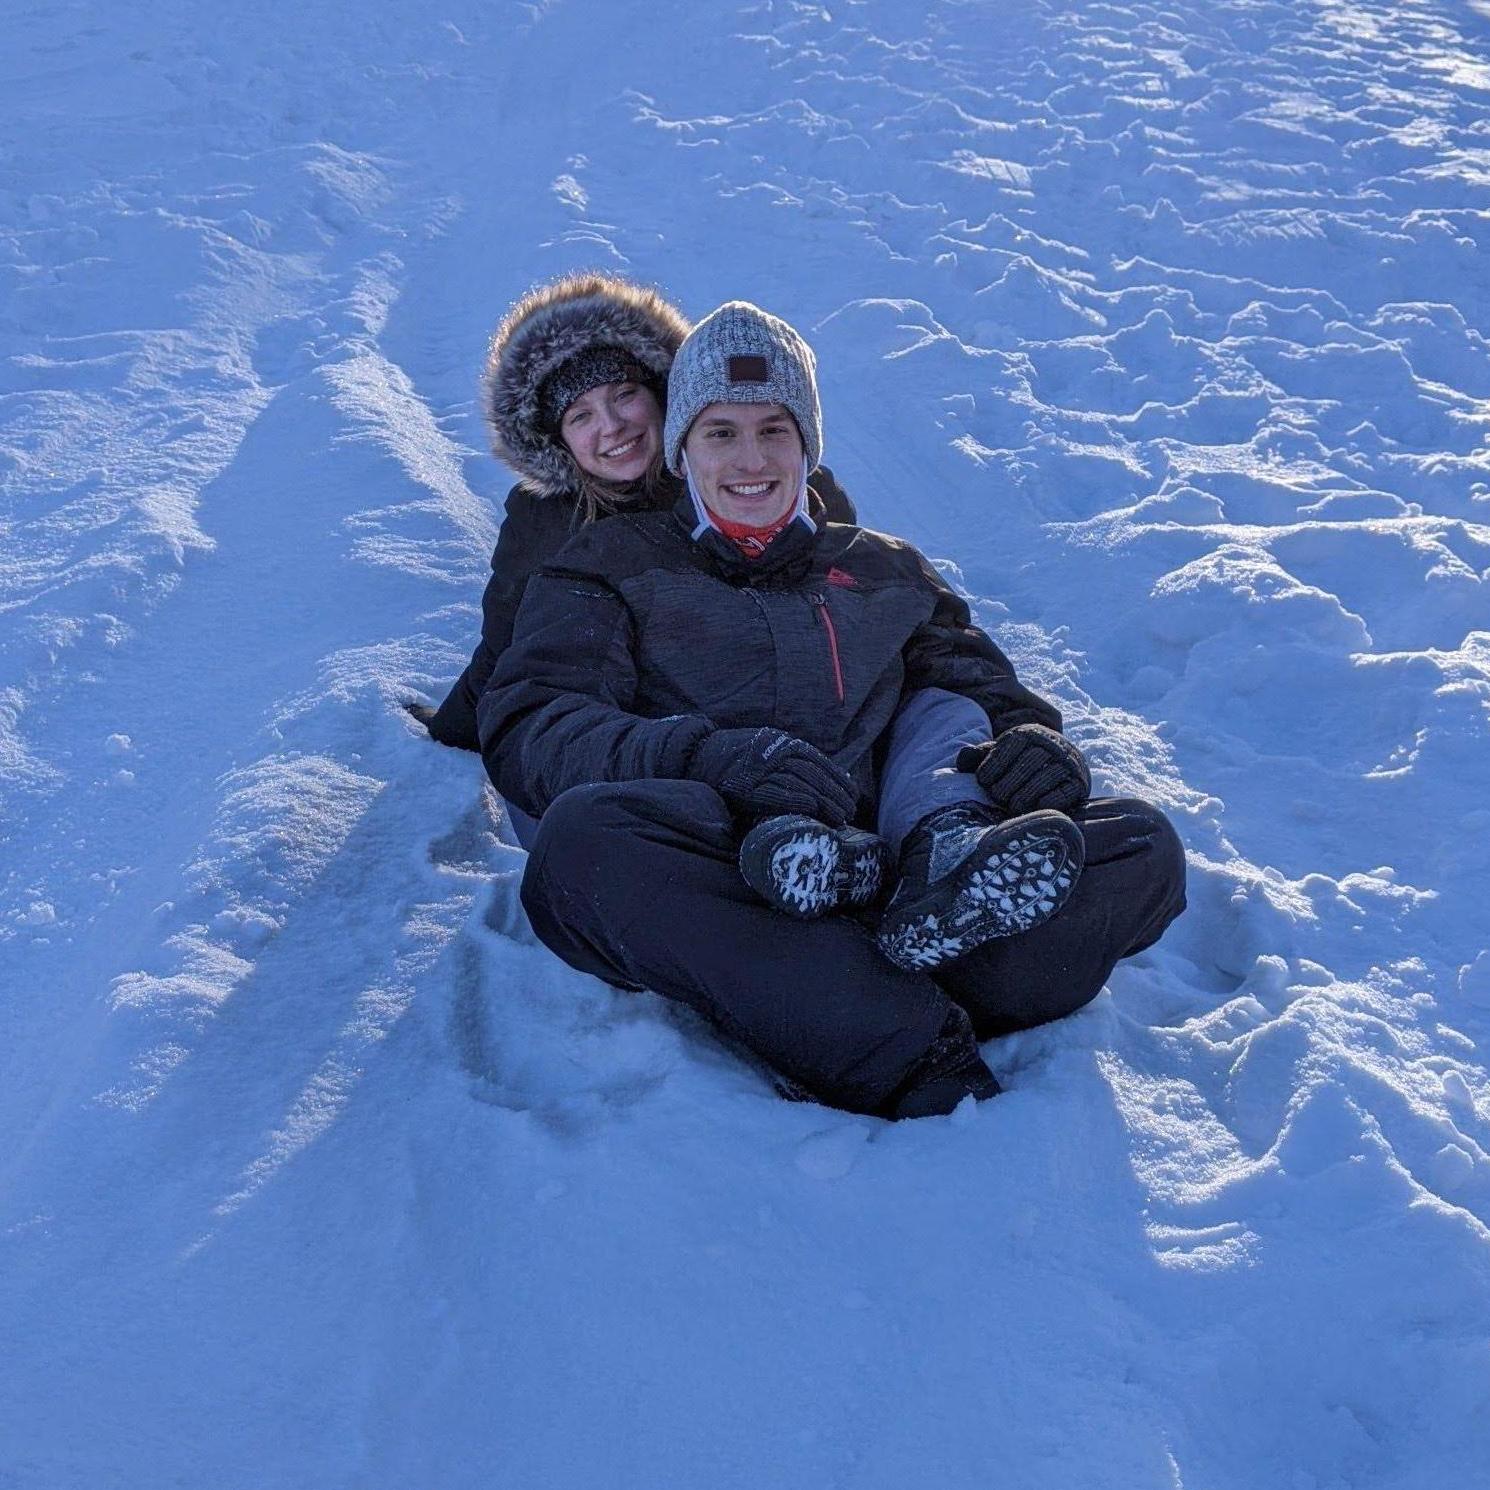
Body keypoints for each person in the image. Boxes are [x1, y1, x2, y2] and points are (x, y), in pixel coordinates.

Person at [478, 301, 1186, 1119]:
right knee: (585, 849)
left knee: (1141, 845)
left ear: (807, 442)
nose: (751, 458)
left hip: (898, 849)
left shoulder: (886, 569)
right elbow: (535, 720)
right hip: (734, 855)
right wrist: (709, 759)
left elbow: (984, 691)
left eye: (774, 430)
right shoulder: (602, 567)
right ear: (681, 449)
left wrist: (1032, 746)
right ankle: (904, 1041)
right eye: (720, 433)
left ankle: (843, 984)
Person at [406, 272, 857, 769]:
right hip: (649, 746)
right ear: (558, 440)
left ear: (663, 393)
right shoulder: (546, 524)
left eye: (624, 395)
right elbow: (507, 650)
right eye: (580, 416)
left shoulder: (762, 483)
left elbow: (849, 606)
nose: (612, 426)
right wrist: (453, 731)